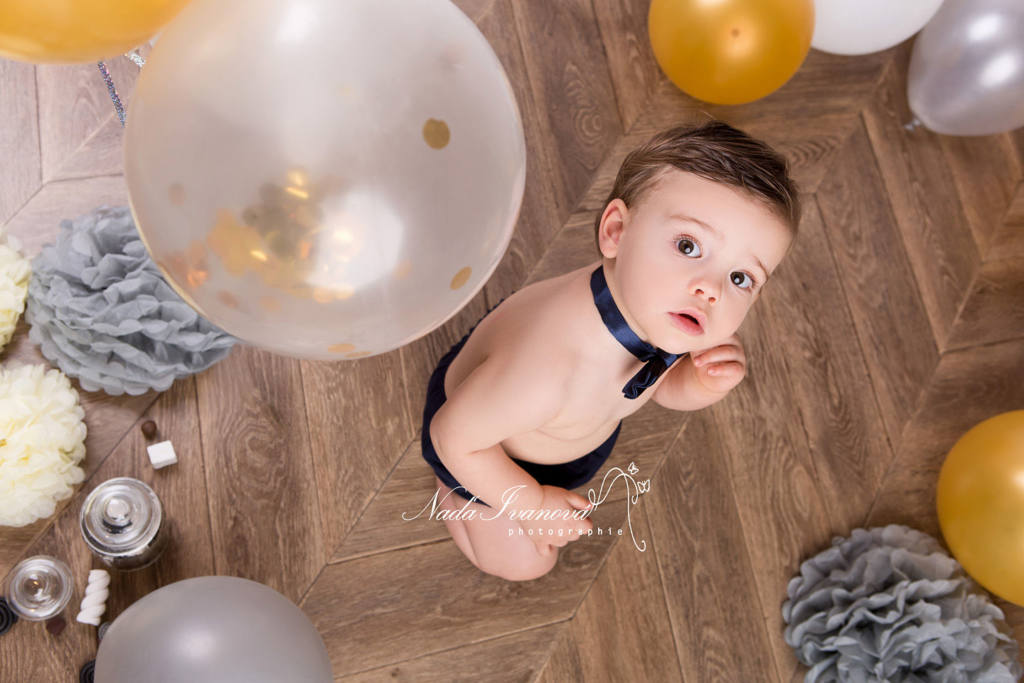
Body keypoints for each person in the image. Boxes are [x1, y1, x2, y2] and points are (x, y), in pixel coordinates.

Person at [420, 120, 800, 581]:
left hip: (552, 432)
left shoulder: (655, 307)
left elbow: (658, 388)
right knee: (526, 563)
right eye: (688, 245)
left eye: (741, 278)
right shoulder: (549, 367)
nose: (711, 289)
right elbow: (452, 437)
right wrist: (533, 504)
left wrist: (698, 382)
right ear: (617, 231)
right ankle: (452, 495)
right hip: (482, 447)